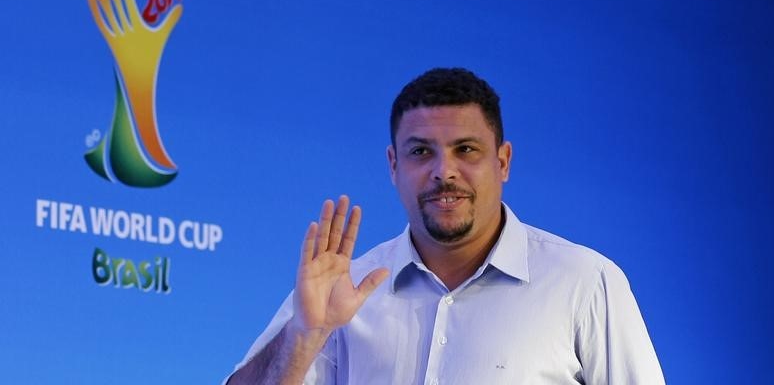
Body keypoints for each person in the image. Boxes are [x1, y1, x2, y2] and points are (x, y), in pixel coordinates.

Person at [227, 68, 665, 384]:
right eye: (421, 152)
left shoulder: (585, 284)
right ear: (393, 165)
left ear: (503, 162)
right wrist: (305, 334)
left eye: (466, 150)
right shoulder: (345, 292)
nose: (444, 171)